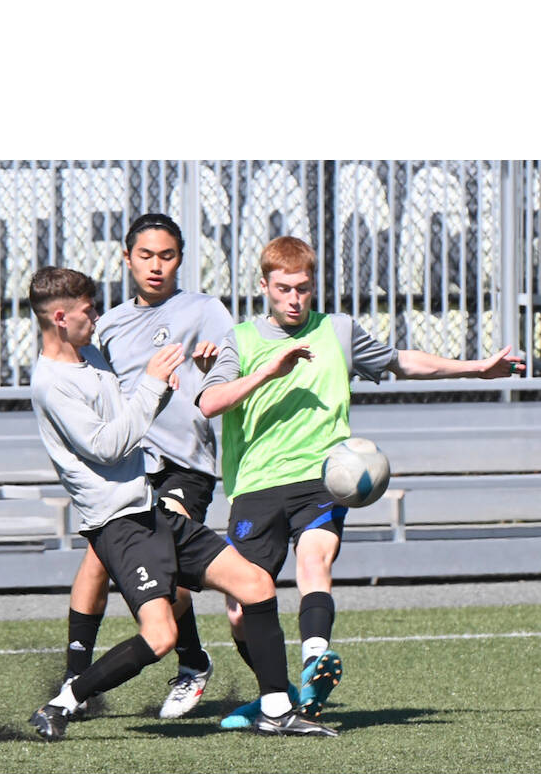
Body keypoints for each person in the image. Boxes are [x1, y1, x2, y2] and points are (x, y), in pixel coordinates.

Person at [196, 236, 526, 726]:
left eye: (303, 288)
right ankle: (279, 694)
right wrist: (270, 370)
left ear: (313, 287)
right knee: (242, 609)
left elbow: (401, 361)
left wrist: (477, 369)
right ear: (264, 286)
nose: (294, 298)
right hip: (256, 484)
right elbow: (210, 402)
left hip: (323, 476)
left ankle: (314, 658)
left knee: (314, 559)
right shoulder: (240, 339)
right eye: (284, 288)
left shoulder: (338, 330)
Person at [26, 266, 335, 739]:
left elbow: (134, 412)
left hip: (150, 509)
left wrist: (173, 382)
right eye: (89, 310)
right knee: (160, 635)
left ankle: (276, 709)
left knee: (255, 584)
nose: (97, 317)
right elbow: (108, 446)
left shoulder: (89, 357)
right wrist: (152, 383)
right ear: (62, 318)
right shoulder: (53, 383)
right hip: (119, 525)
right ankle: (62, 703)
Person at [59, 214, 235, 721]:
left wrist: (212, 365)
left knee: (172, 571)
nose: (156, 266)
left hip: (184, 464)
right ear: (126, 258)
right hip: (128, 467)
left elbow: (232, 365)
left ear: (180, 258)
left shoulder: (204, 310)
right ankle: (77, 675)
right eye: (146, 255)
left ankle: (191, 664)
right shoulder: (109, 325)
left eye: (168, 256)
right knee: (94, 562)